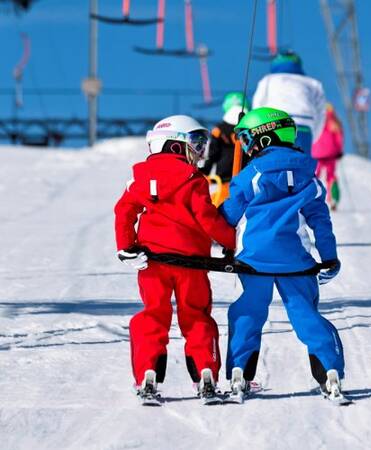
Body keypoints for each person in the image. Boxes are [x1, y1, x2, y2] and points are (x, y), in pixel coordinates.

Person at [219, 107, 345, 403]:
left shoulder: (250, 174)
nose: (246, 147)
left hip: (253, 261)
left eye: (248, 139)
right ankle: (330, 372)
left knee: (247, 313)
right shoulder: (307, 175)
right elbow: (320, 221)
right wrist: (328, 257)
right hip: (296, 263)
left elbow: (229, 215)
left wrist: (216, 237)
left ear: (264, 139)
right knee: (306, 315)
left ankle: (240, 373)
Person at [114, 115, 236, 404]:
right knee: (196, 316)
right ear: (173, 146)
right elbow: (207, 219)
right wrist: (232, 242)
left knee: (153, 315)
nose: (199, 151)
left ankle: (147, 373)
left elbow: (124, 212)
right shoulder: (193, 180)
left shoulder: (139, 178)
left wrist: (126, 247)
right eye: (194, 143)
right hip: (191, 265)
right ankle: (205, 370)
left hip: (152, 262)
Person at [252, 51, 326, 155]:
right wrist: (313, 136)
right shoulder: (313, 83)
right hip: (303, 126)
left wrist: (257, 133)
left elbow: (257, 108)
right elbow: (321, 112)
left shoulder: (267, 81)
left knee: (275, 162)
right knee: (302, 165)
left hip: (275, 126)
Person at [200, 91, 249, 206]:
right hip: (247, 177)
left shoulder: (220, 130)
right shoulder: (249, 128)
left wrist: (205, 171)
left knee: (222, 206)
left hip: (225, 179)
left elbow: (213, 153)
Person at [312, 103, 344, 210]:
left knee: (315, 175)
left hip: (316, 154)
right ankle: (334, 197)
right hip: (331, 154)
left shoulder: (316, 121)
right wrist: (339, 151)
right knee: (331, 176)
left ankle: (311, 197)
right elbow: (339, 138)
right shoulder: (334, 122)